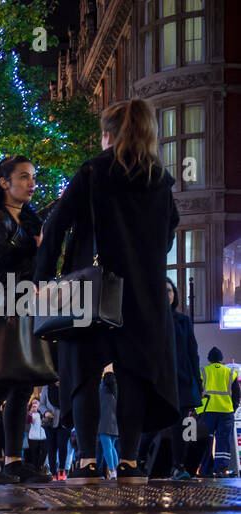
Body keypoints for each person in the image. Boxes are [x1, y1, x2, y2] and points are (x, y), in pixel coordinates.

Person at [35, 99, 180, 485]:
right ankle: (130, 463)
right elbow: (167, 236)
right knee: (133, 375)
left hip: (93, 288)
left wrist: (43, 280)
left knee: (83, 372)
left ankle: (85, 461)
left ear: (109, 135)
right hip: (144, 293)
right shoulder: (161, 182)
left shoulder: (95, 171)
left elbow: (56, 223)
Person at [0, 155, 53, 485]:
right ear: (4, 183)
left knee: (22, 383)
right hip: (6, 302)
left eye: (33, 177)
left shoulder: (29, 221)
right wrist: (30, 249)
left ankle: (13, 460)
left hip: (27, 301)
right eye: (23, 177)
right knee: (1, 382)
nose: (31, 183)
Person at [164, 279, 202, 481]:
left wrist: (198, 383)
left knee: (184, 426)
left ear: (175, 294)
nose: (167, 294)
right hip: (162, 380)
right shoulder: (153, 320)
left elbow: (193, 353)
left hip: (184, 381)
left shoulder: (184, 321)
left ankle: (179, 466)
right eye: (163, 291)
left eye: (170, 290)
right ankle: (146, 463)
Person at [197, 346, 236, 479]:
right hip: (226, 411)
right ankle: (221, 469)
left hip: (207, 411)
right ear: (221, 359)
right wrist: (233, 407)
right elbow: (236, 393)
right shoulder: (230, 372)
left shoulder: (203, 371)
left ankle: (205, 469)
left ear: (209, 359)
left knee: (206, 440)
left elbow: (198, 391)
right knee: (223, 439)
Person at [38, 384, 64, 478]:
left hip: (64, 421)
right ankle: (53, 473)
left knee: (62, 446)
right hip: (50, 423)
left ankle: (62, 471)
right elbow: (41, 405)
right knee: (51, 448)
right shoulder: (46, 387)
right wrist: (45, 412)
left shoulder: (66, 384)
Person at [97, 371, 120, 478]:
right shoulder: (115, 391)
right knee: (113, 448)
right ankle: (116, 469)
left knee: (107, 448)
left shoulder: (101, 390)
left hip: (103, 423)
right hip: (115, 424)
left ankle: (112, 471)